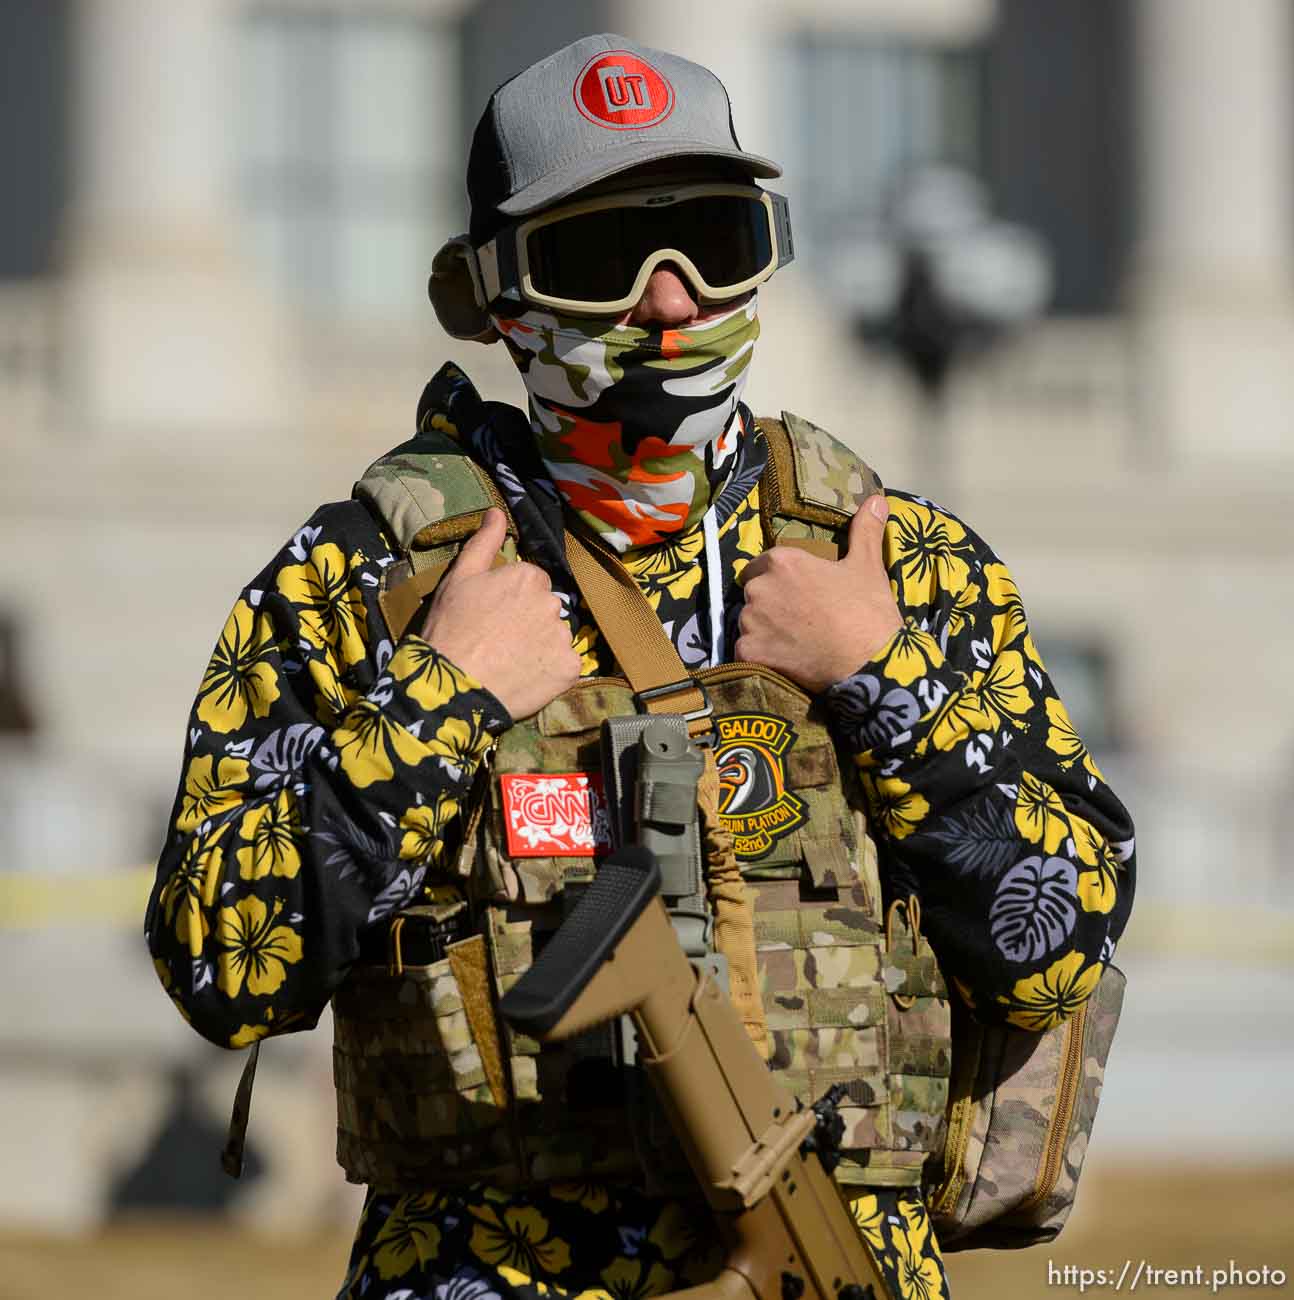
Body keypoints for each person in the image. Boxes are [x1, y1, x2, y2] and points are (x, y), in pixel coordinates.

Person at [145, 33, 1135, 1300]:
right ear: (496, 294)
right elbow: (221, 967)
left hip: (821, 1266)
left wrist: (881, 677)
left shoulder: (898, 564)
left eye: (713, 245)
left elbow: (1056, 948)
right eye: (606, 259)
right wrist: (437, 701)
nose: (671, 304)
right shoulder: (364, 581)